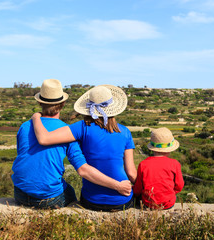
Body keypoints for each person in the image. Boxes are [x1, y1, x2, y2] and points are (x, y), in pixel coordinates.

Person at [12, 79, 132, 209]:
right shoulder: (67, 131)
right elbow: (83, 169)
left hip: (20, 194)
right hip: (49, 198)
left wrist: (35, 117)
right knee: (69, 192)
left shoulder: (24, 127)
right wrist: (118, 186)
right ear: (63, 104)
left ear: (39, 102)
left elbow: (23, 155)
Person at [133, 127, 184, 210]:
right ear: (170, 149)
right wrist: (168, 193)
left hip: (148, 204)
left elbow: (138, 188)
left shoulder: (143, 164)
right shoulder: (175, 164)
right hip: (168, 204)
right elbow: (179, 186)